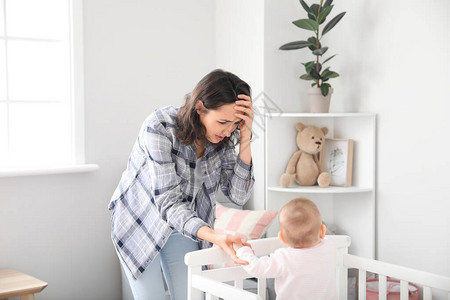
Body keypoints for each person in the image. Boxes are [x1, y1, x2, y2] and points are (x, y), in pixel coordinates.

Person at [108, 69, 255, 300]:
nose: (228, 130)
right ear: (200, 108)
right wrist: (215, 236)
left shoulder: (223, 140)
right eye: (223, 121)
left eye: (235, 123)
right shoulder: (159, 126)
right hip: (141, 222)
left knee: (191, 296)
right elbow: (168, 201)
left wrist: (245, 137)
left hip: (185, 224)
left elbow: (238, 195)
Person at [234, 198, 337, 300]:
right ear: (323, 231)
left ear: (282, 238)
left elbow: (257, 268)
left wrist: (241, 250)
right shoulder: (330, 247)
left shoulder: (284, 258)